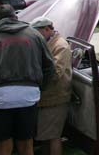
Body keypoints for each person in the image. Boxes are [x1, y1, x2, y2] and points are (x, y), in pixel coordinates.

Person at [0, 4, 54, 155]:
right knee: (26, 144)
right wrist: (40, 88)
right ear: (15, 16)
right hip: (29, 96)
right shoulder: (34, 35)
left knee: (3, 145)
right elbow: (49, 66)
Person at [32, 17, 72, 155]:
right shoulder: (47, 42)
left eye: (38, 32)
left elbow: (56, 72)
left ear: (47, 29)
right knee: (45, 136)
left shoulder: (60, 46)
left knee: (53, 136)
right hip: (46, 97)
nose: (36, 36)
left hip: (56, 97)